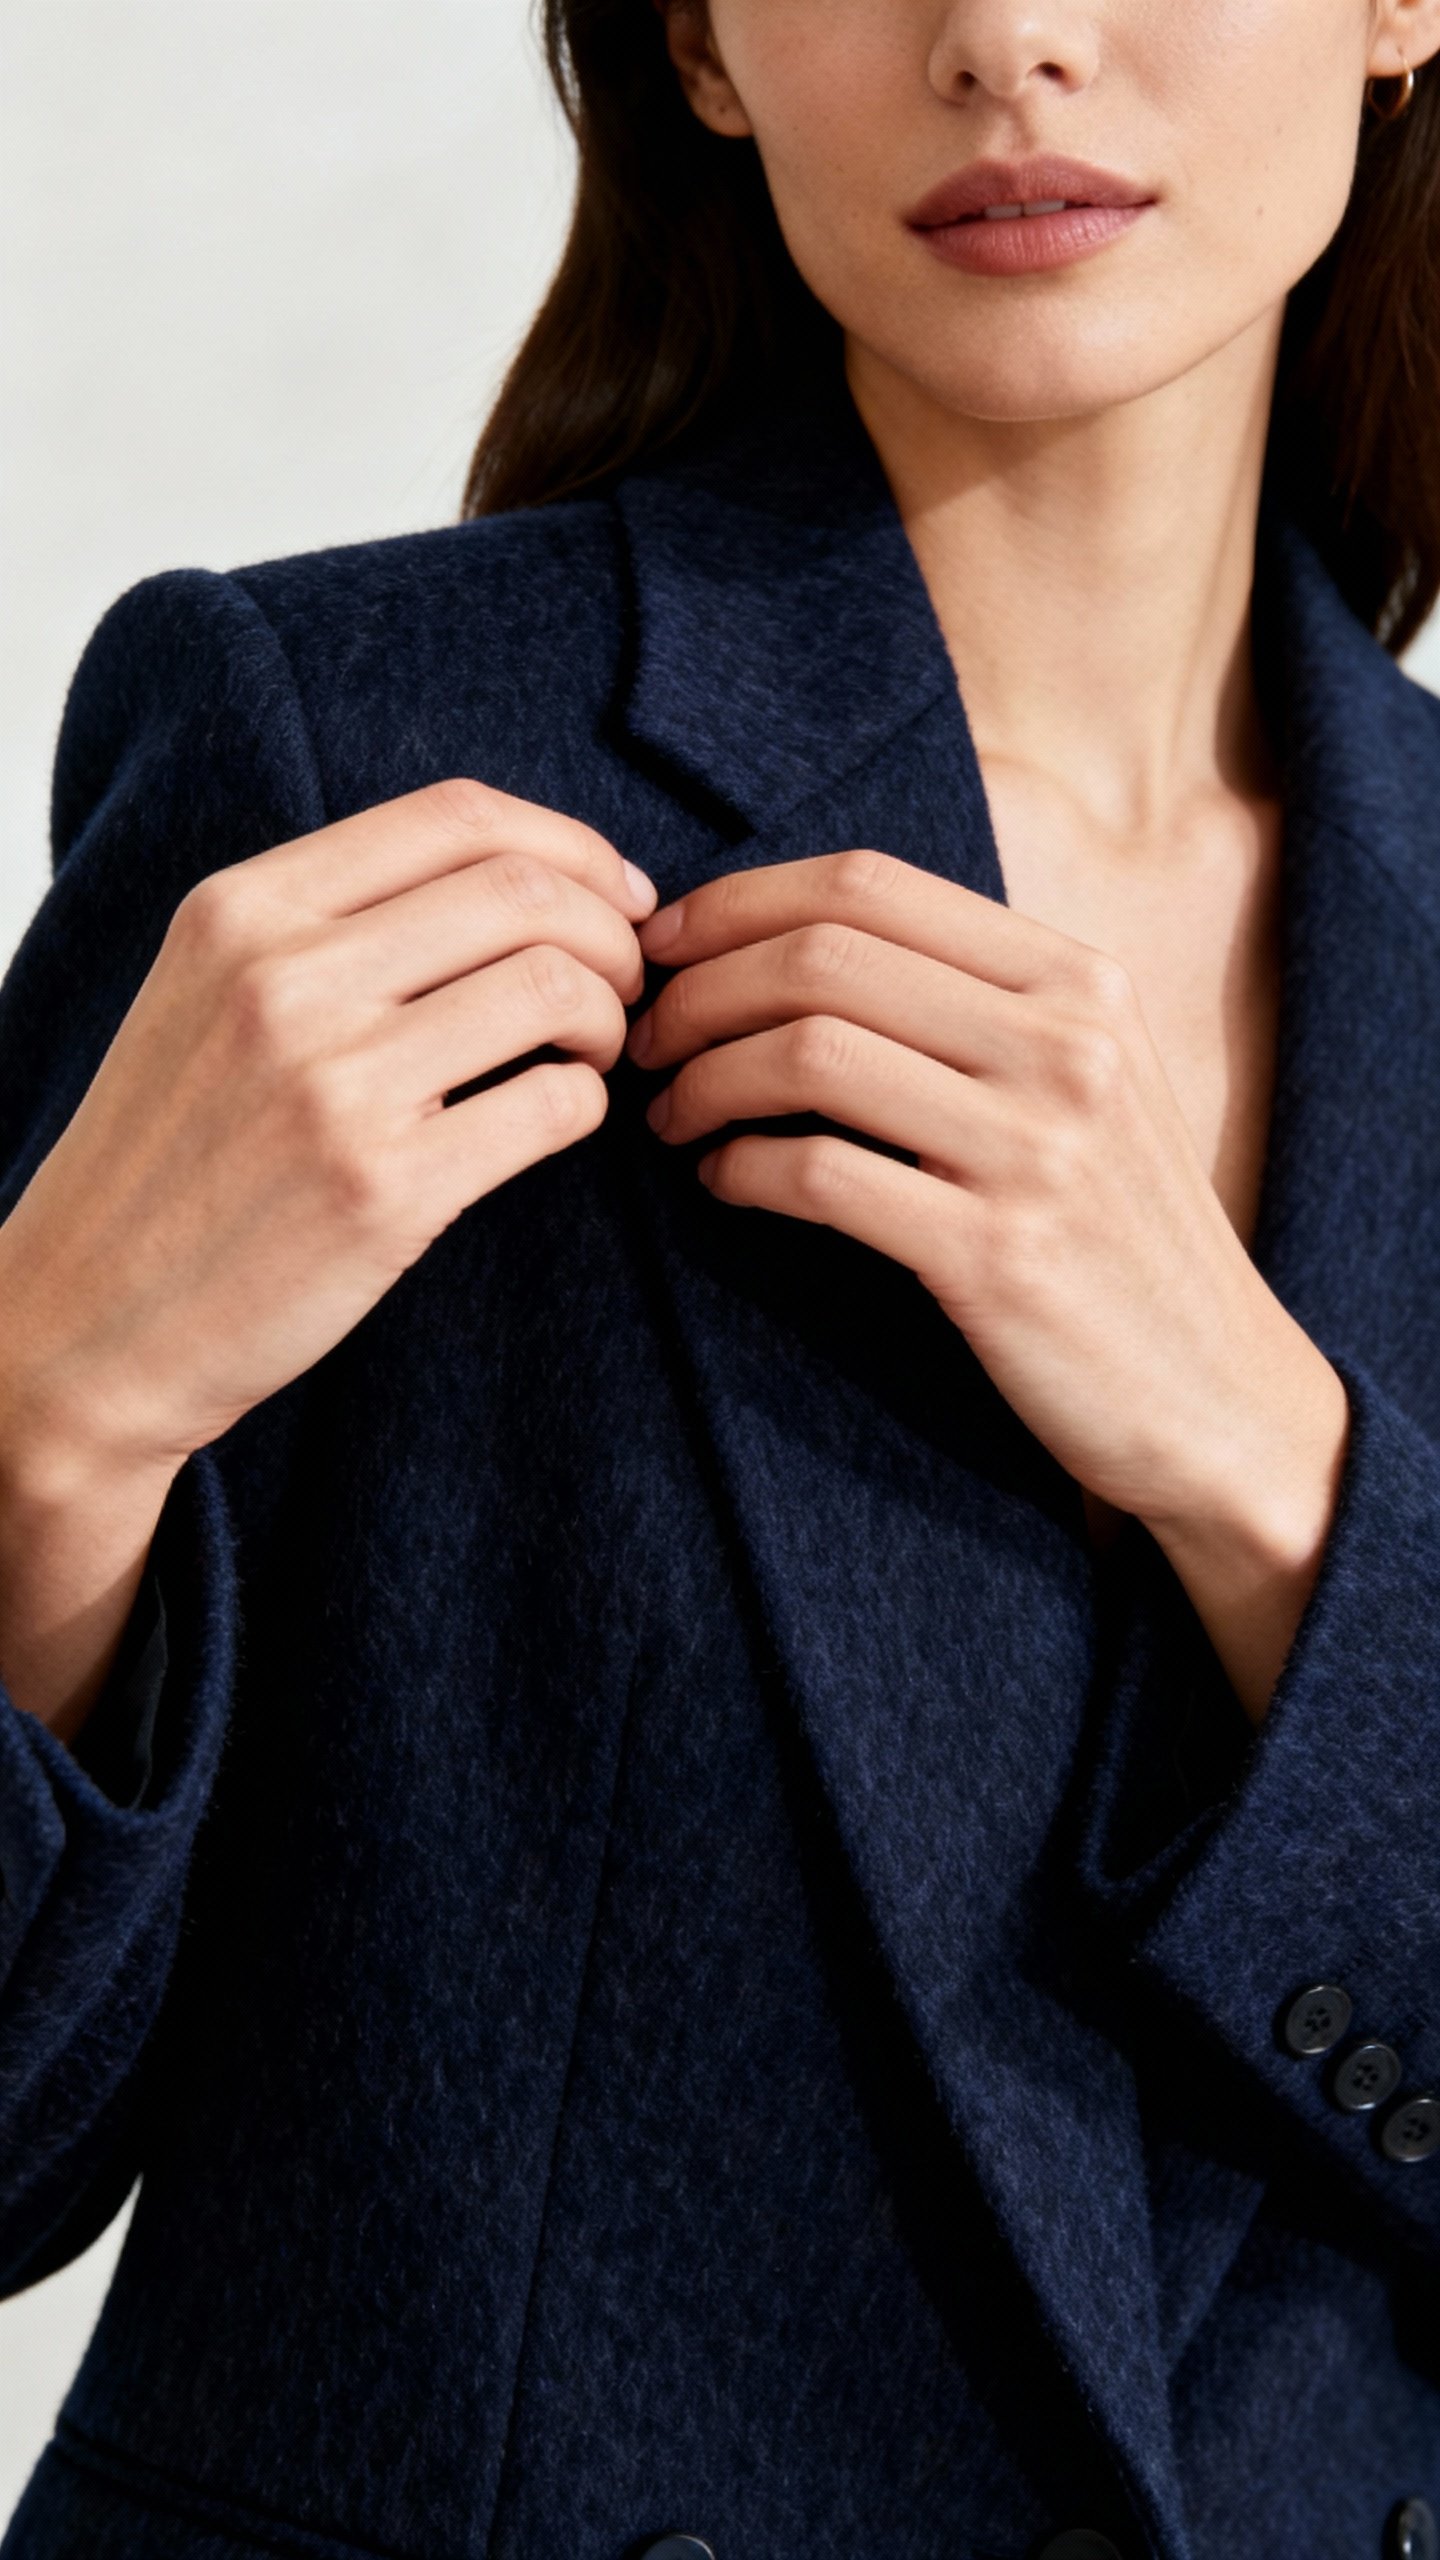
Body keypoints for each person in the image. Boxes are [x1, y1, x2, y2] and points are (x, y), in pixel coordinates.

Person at [1, 1, 1439, 2554]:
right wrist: (39, 1407)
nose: (1010, 35)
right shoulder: (358, 757)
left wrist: (1270, 1466)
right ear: (700, 38)